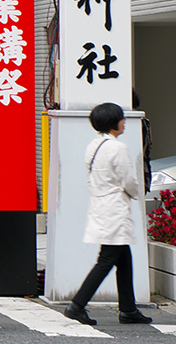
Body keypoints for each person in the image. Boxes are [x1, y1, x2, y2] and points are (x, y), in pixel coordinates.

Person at [64, 102, 152, 326]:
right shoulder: (117, 148)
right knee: (106, 260)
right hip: (115, 210)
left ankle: (128, 309)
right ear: (113, 123)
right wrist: (138, 194)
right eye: (121, 118)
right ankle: (77, 305)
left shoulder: (94, 145)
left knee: (124, 260)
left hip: (101, 206)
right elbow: (128, 180)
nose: (124, 122)